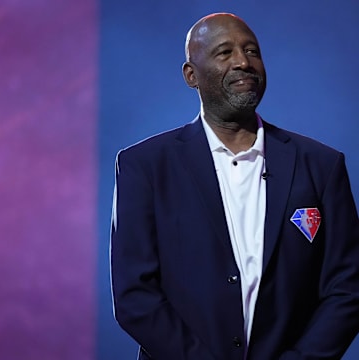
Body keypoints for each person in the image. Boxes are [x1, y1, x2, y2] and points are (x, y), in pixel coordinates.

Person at [110, 12, 359, 360]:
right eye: (224, 52)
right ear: (191, 75)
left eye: (252, 51)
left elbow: (347, 288)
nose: (243, 62)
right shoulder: (145, 166)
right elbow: (135, 297)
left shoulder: (322, 165)